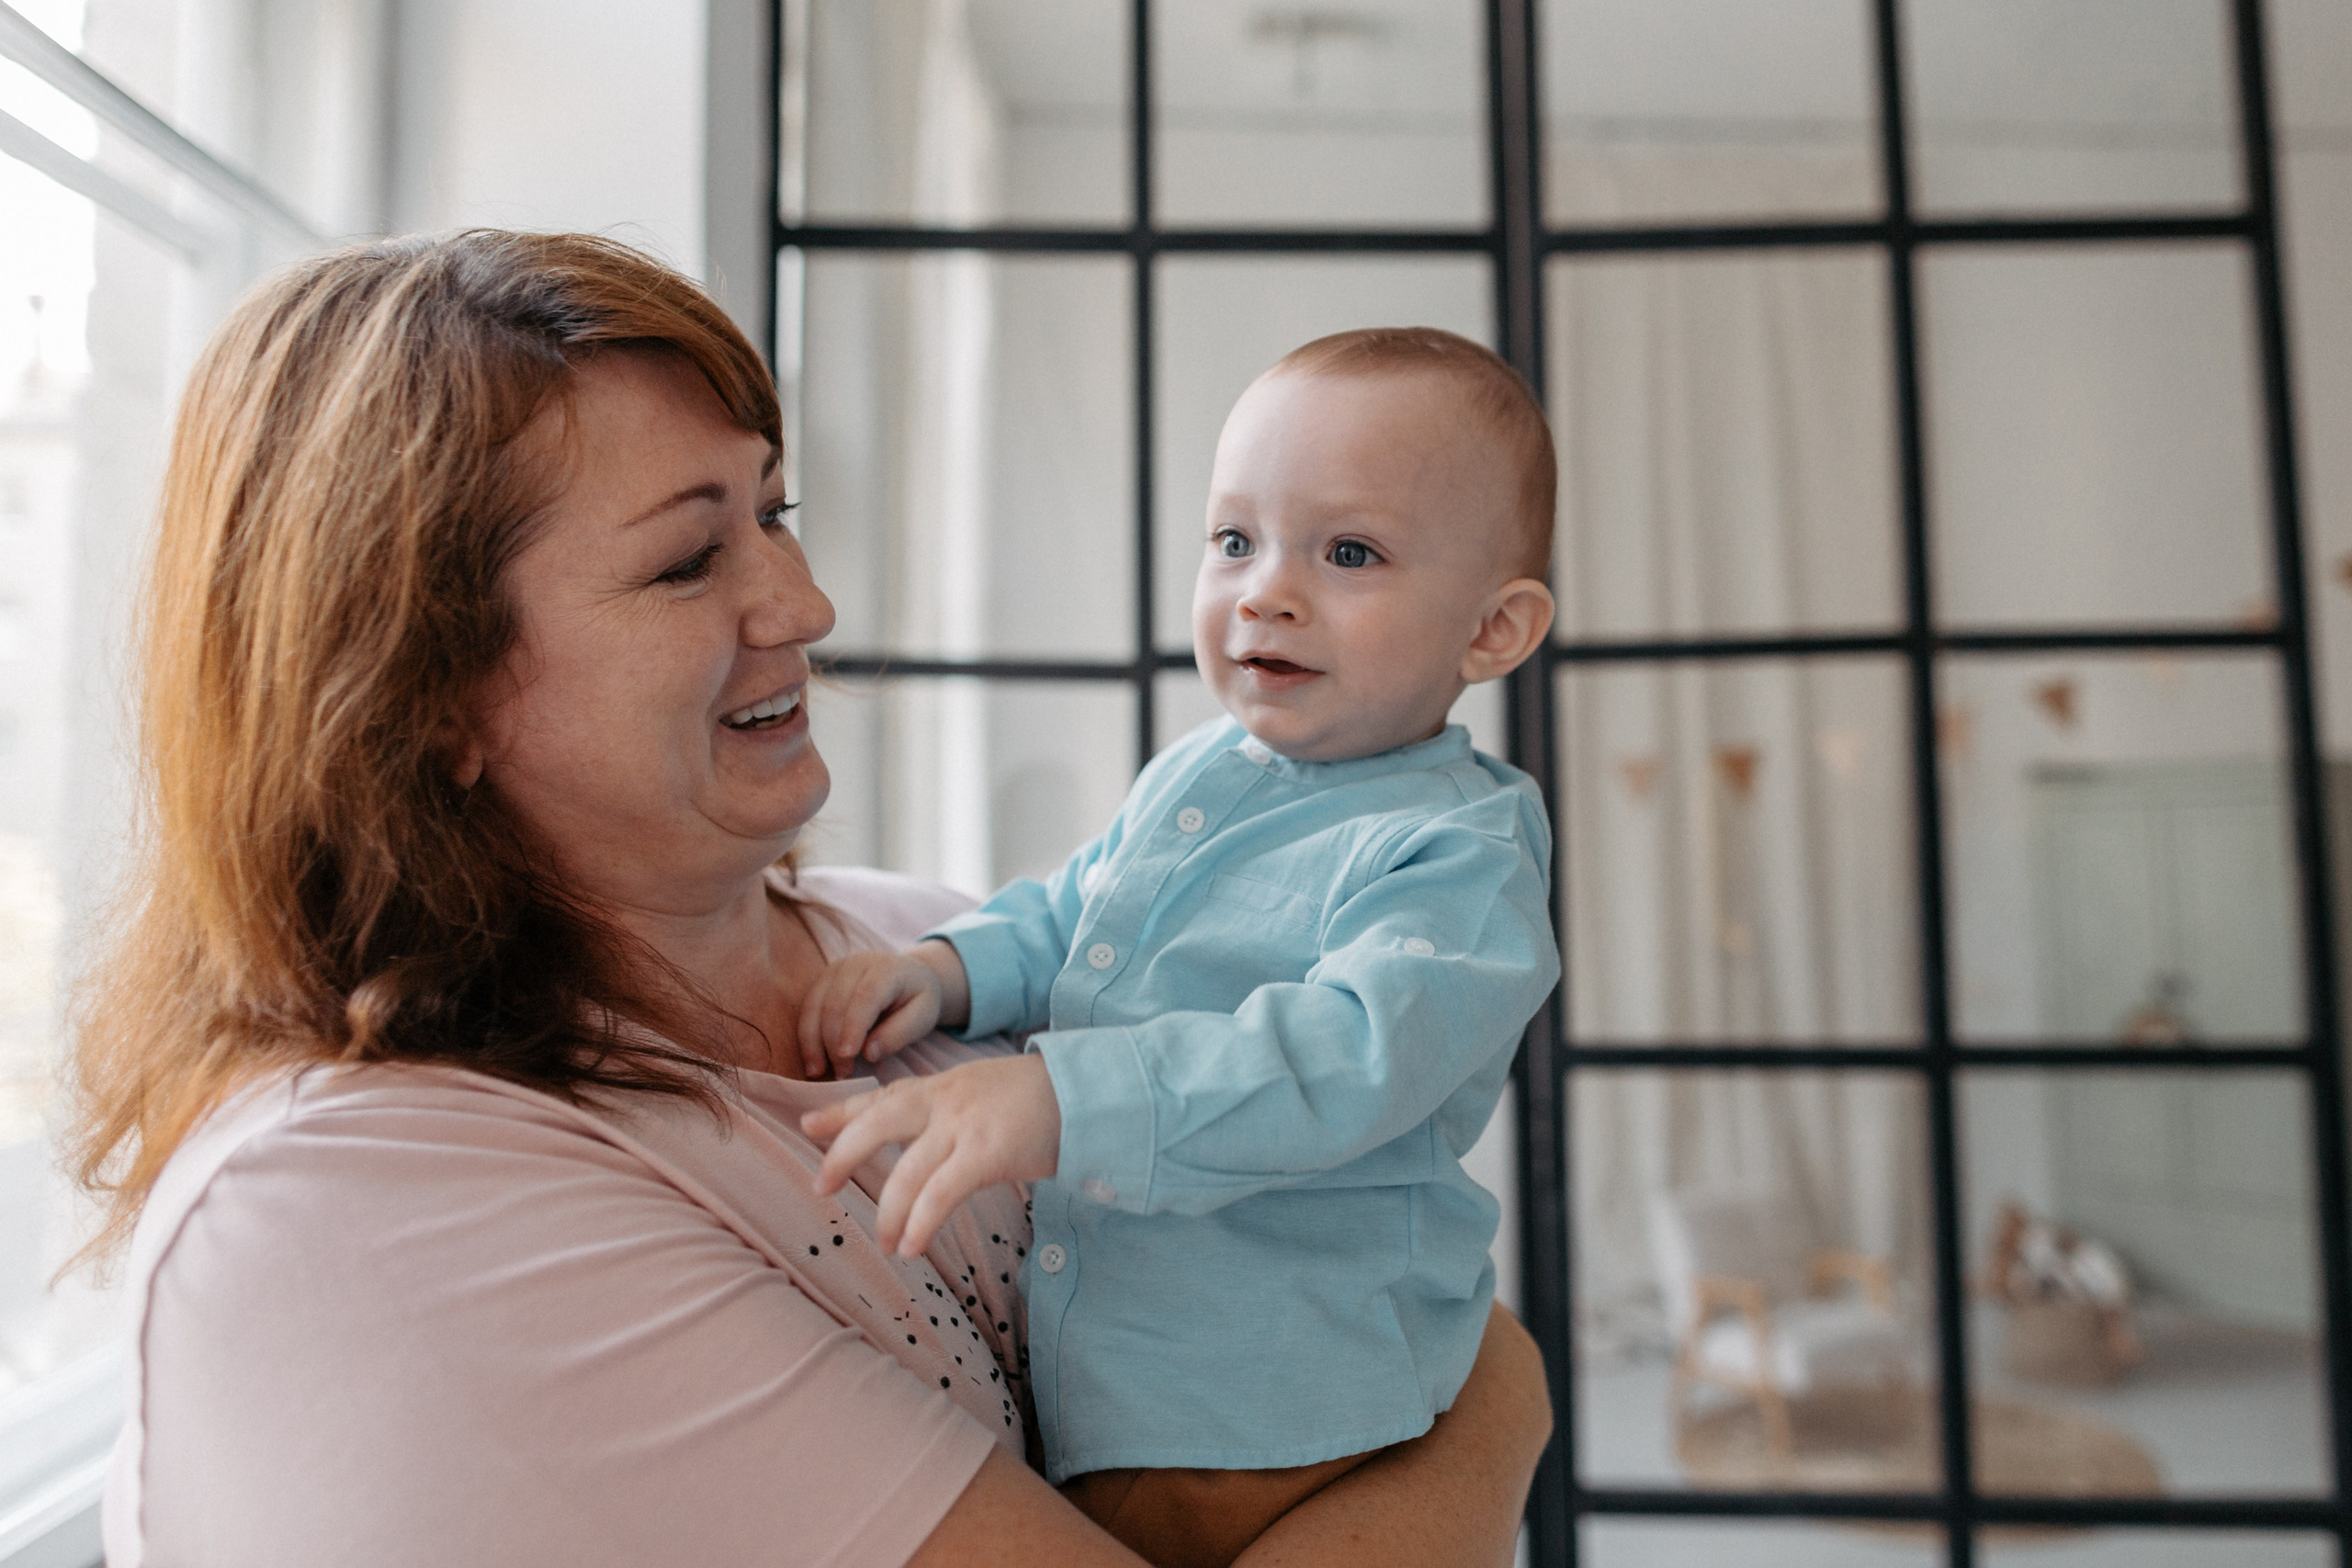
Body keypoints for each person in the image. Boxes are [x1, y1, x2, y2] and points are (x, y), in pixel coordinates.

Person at [65, 231, 1551, 1568]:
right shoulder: (363, 1200)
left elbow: (1317, 1094)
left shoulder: (903, 940)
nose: (804, 605)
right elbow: (1469, 1357)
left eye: (777, 513)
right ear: (427, 691)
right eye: (689, 559)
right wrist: (1496, 1407)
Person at [798, 329, 1561, 1568]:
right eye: (1234, 541)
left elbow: (1341, 1060)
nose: (1266, 590)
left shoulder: (1457, 854)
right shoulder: (1201, 772)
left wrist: (1063, 1097)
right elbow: (1076, 916)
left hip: (1289, 1410)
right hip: (1125, 1393)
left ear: (1493, 631)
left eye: (1349, 551)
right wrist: (946, 969)